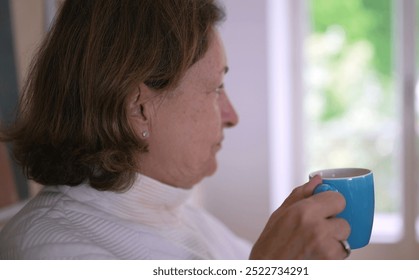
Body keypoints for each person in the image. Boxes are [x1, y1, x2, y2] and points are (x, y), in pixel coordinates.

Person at [0, 0, 350, 259]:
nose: (232, 115)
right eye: (215, 88)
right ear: (140, 111)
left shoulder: (184, 218)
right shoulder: (53, 253)